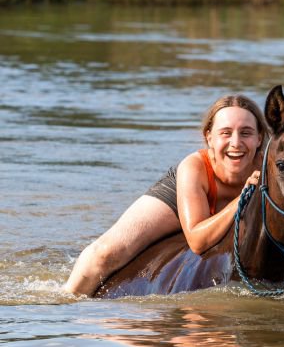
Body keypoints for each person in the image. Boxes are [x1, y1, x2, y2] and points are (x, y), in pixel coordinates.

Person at [64, 94, 265, 296]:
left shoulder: (272, 171)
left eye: (246, 133)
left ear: (260, 138)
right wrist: (241, 200)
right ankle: (66, 299)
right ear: (209, 137)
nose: (236, 142)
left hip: (237, 203)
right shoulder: (194, 167)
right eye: (226, 133)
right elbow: (198, 242)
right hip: (177, 199)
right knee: (105, 253)